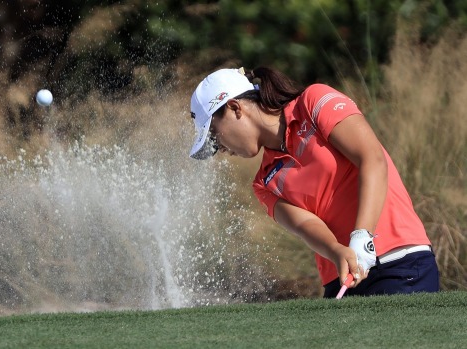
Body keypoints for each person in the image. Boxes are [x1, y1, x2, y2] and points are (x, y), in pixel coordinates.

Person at [188, 66, 439, 298]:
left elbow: (371, 159)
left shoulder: (312, 102)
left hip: (399, 260)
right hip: (342, 279)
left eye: (213, 135)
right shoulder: (263, 182)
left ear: (234, 108)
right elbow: (306, 224)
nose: (218, 148)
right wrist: (336, 251)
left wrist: (363, 236)